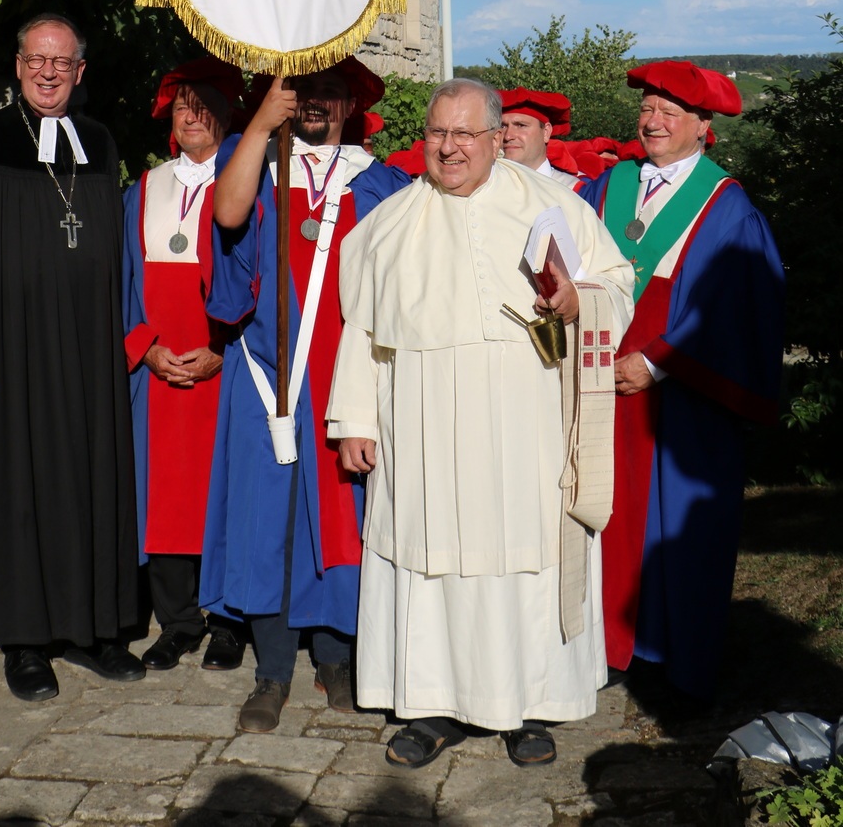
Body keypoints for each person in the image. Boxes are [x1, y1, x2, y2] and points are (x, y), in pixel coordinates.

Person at [328, 79, 635, 769]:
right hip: (422, 429)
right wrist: (355, 419)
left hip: (525, 427)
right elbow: (362, 332)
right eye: (438, 133)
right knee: (427, 559)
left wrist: (576, 301)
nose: (450, 148)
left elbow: (617, 283)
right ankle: (432, 706)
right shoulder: (389, 223)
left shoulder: (553, 207)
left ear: (498, 139)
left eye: (465, 134)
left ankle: (530, 707)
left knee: (523, 558)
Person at [0, 14, 143, 702]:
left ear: (80, 71)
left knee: (88, 480)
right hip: (14, 349)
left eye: (61, 61)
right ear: (19, 66)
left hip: (87, 347)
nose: (48, 72)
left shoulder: (99, 142)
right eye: (36, 60)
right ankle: (23, 642)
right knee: (21, 487)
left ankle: (93, 628)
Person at [202, 59, 410, 733]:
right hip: (267, 376)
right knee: (266, 520)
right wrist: (264, 122)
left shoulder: (380, 184)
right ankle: (271, 672)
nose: (316, 102)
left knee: (345, 518)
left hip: (346, 380)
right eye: (304, 90)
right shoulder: (256, 162)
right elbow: (228, 213)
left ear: (351, 106)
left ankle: (336, 658)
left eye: (330, 92)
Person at [582, 61, 784, 698]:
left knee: (680, 530)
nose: (654, 121)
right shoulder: (609, 185)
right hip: (600, 384)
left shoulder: (726, 205)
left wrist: (656, 362)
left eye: (671, 112)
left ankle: (680, 665)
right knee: (604, 514)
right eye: (647, 108)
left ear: (703, 125)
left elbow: (735, 304)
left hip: (685, 397)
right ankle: (608, 649)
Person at [123, 57, 248, 674]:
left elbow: (259, 277)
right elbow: (123, 282)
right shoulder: (145, 189)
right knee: (165, 495)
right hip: (159, 371)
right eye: (181, 107)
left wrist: (222, 350)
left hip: (224, 367)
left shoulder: (249, 183)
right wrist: (145, 348)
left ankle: (228, 621)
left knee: (225, 492)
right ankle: (177, 621)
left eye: (204, 106)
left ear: (228, 114)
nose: (191, 116)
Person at [498, 88, 584, 188]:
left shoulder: (572, 190)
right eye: (503, 126)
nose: (508, 136)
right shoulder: (488, 187)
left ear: (546, 132)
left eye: (521, 125)